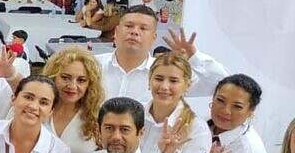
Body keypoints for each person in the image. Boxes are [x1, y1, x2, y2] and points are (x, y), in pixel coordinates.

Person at [94, 6, 227, 104]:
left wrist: (194, 57)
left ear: (154, 37)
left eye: (143, 28)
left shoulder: (169, 74)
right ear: (116, 32)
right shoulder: (92, 65)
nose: (134, 32)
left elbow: (221, 84)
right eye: (129, 26)